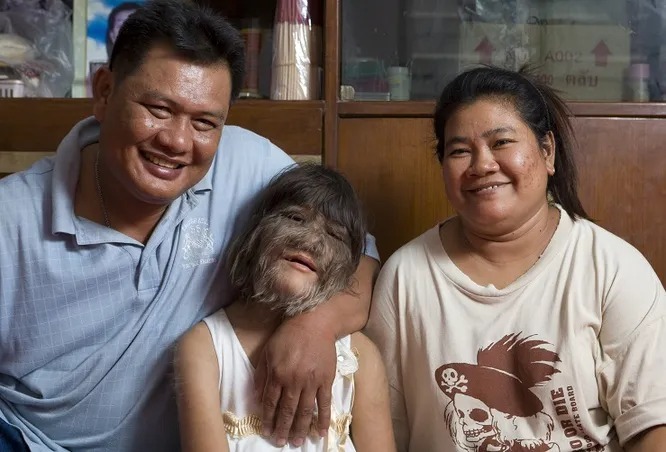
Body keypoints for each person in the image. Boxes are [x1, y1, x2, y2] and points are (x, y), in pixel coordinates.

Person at [0, 1, 379, 451]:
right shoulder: (11, 221)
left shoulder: (248, 165)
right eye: (158, 109)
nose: (177, 141)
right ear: (104, 91)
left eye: (204, 122)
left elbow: (357, 255)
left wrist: (315, 324)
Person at [365, 65, 666, 452]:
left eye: (502, 142)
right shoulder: (405, 277)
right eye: (459, 151)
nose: (482, 165)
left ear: (547, 151)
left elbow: (654, 426)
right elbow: (381, 428)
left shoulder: (611, 268)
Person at [175, 163, 395, 452]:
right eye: (295, 218)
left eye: (335, 235)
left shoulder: (359, 357)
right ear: (255, 231)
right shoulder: (204, 348)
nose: (311, 241)